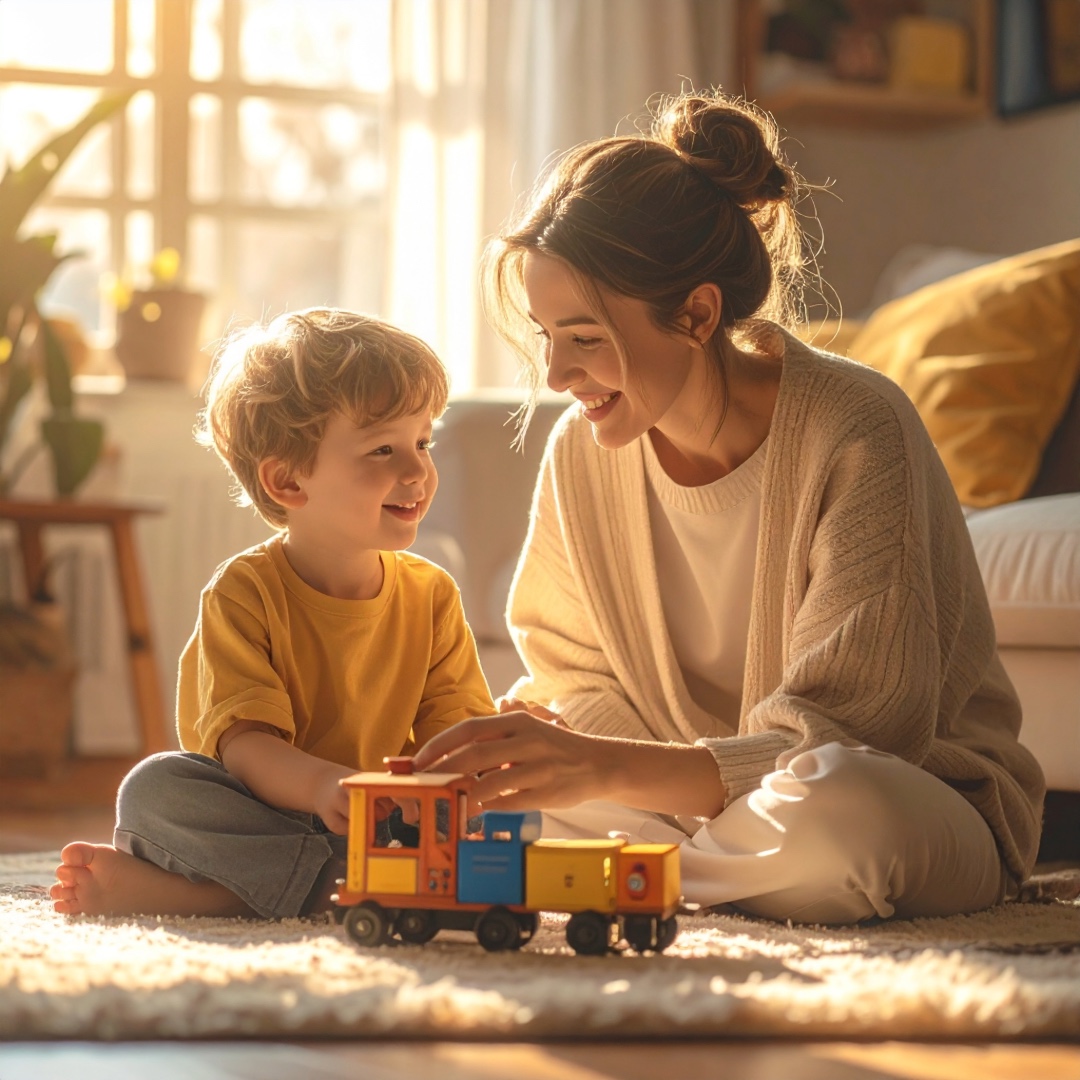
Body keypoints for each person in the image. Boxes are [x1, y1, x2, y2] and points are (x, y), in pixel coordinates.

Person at [411, 90, 1046, 925]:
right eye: (546, 336)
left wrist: (603, 772)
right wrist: (564, 755)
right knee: (490, 802)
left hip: (903, 795)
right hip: (690, 806)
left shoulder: (857, 427)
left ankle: (625, 880)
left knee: (844, 810)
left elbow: (861, 733)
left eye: (587, 338)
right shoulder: (582, 451)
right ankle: (684, 879)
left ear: (697, 313)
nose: (559, 375)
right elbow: (575, 674)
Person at [51, 308, 494, 919]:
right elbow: (246, 747)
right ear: (288, 482)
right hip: (264, 814)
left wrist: (461, 773)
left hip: (380, 826)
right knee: (155, 787)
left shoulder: (433, 594)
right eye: (382, 449)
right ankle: (323, 887)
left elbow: (451, 732)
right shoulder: (242, 592)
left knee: (498, 806)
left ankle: (220, 897)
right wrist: (323, 787)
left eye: (423, 441)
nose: (417, 469)